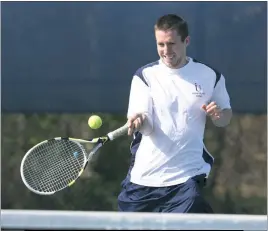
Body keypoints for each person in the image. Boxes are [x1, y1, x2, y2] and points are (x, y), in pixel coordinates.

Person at [117, 14, 232, 213]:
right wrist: (140, 120)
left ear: (186, 41)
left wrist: (219, 115)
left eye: (171, 44)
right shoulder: (144, 76)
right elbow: (147, 125)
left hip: (186, 180)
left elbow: (225, 118)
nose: (165, 51)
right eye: (160, 44)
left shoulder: (210, 76)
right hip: (143, 180)